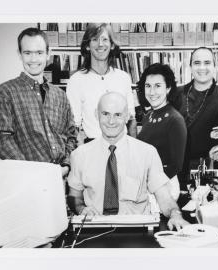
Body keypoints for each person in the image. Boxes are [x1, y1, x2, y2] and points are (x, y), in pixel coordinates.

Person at [67, 92, 189, 231]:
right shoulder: (80, 155)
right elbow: (74, 196)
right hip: (94, 228)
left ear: (127, 117)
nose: (111, 121)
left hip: (137, 230)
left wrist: (176, 215)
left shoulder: (147, 153)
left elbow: (164, 197)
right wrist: (82, 209)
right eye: (105, 114)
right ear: (96, 114)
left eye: (118, 115)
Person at [0, 27, 77, 177]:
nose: (34, 59)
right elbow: (2, 139)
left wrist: (66, 166)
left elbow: (71, 136)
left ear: (48, 53)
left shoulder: (60, 95)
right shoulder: (4, 93)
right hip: (25, 181)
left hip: (60, 181)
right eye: (28, 53)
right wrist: (33, 173)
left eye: (39, 53)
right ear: (20, 54)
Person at [172, 46, 218, 190]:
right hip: (180, 173)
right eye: (197, 63)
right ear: (190, 67)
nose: (202, 67)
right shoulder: (177, 94)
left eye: (207, 63)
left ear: (214, 66)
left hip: (213, 173)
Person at [66, 23, 137, 143]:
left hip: (123, 146)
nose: (100, 44)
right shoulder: (76, 80)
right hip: (93, 147)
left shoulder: (123, 78)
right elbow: (74, 127)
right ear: (87, 46)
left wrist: (133, 153)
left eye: (104, 39)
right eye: (94, 39)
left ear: (112, 45)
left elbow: (131, 120)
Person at [137, 63, 187, 197]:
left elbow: (176, 166)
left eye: (158, 86)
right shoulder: (148, 116)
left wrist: (148, 185)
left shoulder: (175, 119)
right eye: (148, 86)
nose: (152, 92)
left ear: (168, 88)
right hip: (145, 183)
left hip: (164, 187)